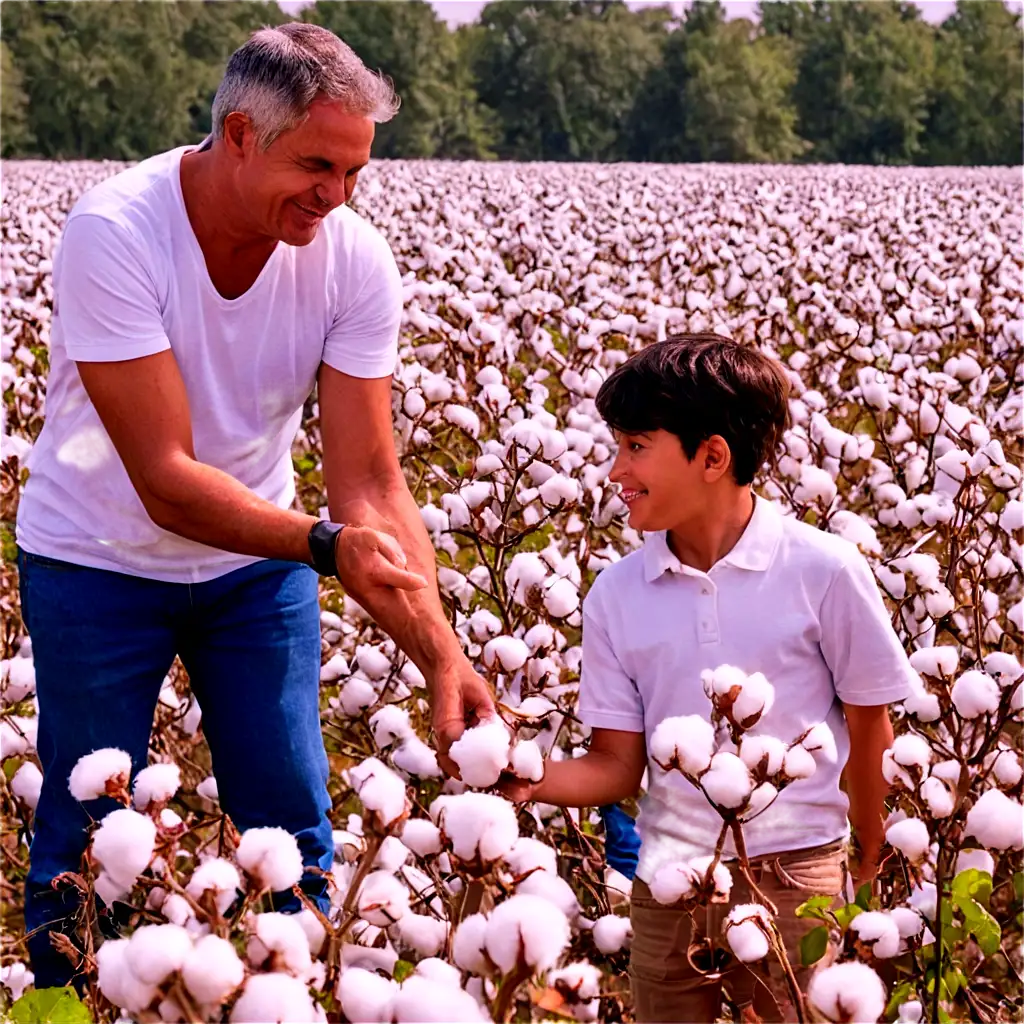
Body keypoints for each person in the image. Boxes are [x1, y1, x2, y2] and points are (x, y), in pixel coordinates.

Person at [15, 22, 493, 988]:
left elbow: (372, 481)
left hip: (257, 567)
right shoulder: (116, 234)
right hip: (95, 562)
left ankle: (292, 998)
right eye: (318, 164)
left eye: (356, 171)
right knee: (90, 826)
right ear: (240, 134)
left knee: (287, 819)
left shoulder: (350, 258)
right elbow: (166, 476)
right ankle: (61, 1002)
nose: (338, 195)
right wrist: (324, 545)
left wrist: (443, 655)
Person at [501, 335, 918, 1023]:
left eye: (636, 446)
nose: (615, 471)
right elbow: (614, 767)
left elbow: (871, 724)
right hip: (668, 881)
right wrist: (523, 777)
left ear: (713, 456)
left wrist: (868, 855)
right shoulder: (615, 594)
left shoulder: (825, 570)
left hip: (797, 872)